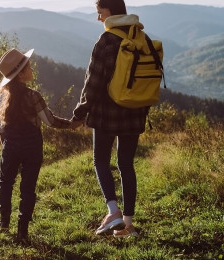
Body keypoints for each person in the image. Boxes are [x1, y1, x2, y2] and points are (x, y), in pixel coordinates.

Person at [71, 0, 149, 238]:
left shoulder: (107, 40)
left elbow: (92, 83)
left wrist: (79, 113)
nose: (98, 18)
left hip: (107, 113)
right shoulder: (140, 38)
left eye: (99, 12)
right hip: (135, 111)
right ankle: (128, 225)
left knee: (100, 161)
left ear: (110, 11)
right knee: (126, 164)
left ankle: (113, 212)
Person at [0, 48, 80, 243]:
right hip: (32, 147)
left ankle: (4, 224)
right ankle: (22, 231)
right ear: (21, 73)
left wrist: (6, 145)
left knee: (5, 183)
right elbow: (49, 121)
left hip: (10, 146)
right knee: (28, 188)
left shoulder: (1, 97)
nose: (32, 69)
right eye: (28, 66)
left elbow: (0, 127)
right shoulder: (33, 96)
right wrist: (71, 124)